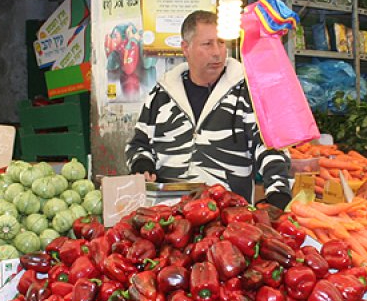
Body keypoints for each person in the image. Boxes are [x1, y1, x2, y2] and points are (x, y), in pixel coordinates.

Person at [125, 10, 292, 209]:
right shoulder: (161, 95)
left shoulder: (247, 93)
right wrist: (141, 163)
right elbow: (138, 143)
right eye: (208, 44)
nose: (217, 52)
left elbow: (270, 146)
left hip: (228, 218)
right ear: (185, 48)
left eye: (221, 42)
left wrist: (278, 192)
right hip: (168, 216)